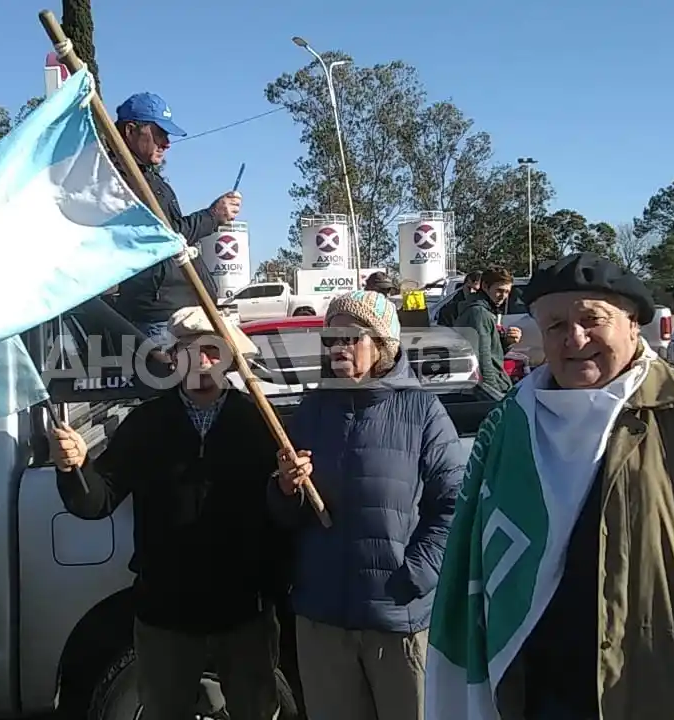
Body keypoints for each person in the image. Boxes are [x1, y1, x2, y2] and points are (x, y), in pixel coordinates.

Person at [425, 252, 674, 720]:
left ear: (634, 325)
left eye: (592, 319)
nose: (574, 338)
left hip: (669, 697)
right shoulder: (512, 424)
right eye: (554, 325)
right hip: (543, 693)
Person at [50, 306, 289, 720]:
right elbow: (96, 502)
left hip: (244, 619)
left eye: (213, 351)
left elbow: (284, 511)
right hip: (166, 619)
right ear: (174, 359)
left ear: (230, 357)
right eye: (190, 350)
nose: (203, 361)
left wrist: (292, 489)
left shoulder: (259, 421)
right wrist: (74, 467)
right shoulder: (145, 424)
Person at [269, 290, 465, 720]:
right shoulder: (312, 412)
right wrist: (285, 487)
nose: (338, 348)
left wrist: (414, 576)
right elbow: (285, 517)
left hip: (397, 622)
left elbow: (453, 504)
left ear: (382, 346)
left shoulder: (422, 411)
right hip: (323, 620)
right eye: (331, 338)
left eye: (351, 338)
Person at [111, 92, 243, 347]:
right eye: (159, 133)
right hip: (159, 318)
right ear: (130, 130)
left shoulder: (148, 177)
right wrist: (213, 215)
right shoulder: (120, 180)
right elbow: (166, 236)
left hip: (179, 314)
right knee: (176, 383)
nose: (167, 143)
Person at [453, 267, 521, 395]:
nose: (503, 296)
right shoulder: (479, 313)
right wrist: (493, 394)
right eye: (499, 291)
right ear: (485, 286)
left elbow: (491, 352)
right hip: (488, 390)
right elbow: (484, 361)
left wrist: (506, 342)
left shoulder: (481, 311)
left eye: (507, 292)